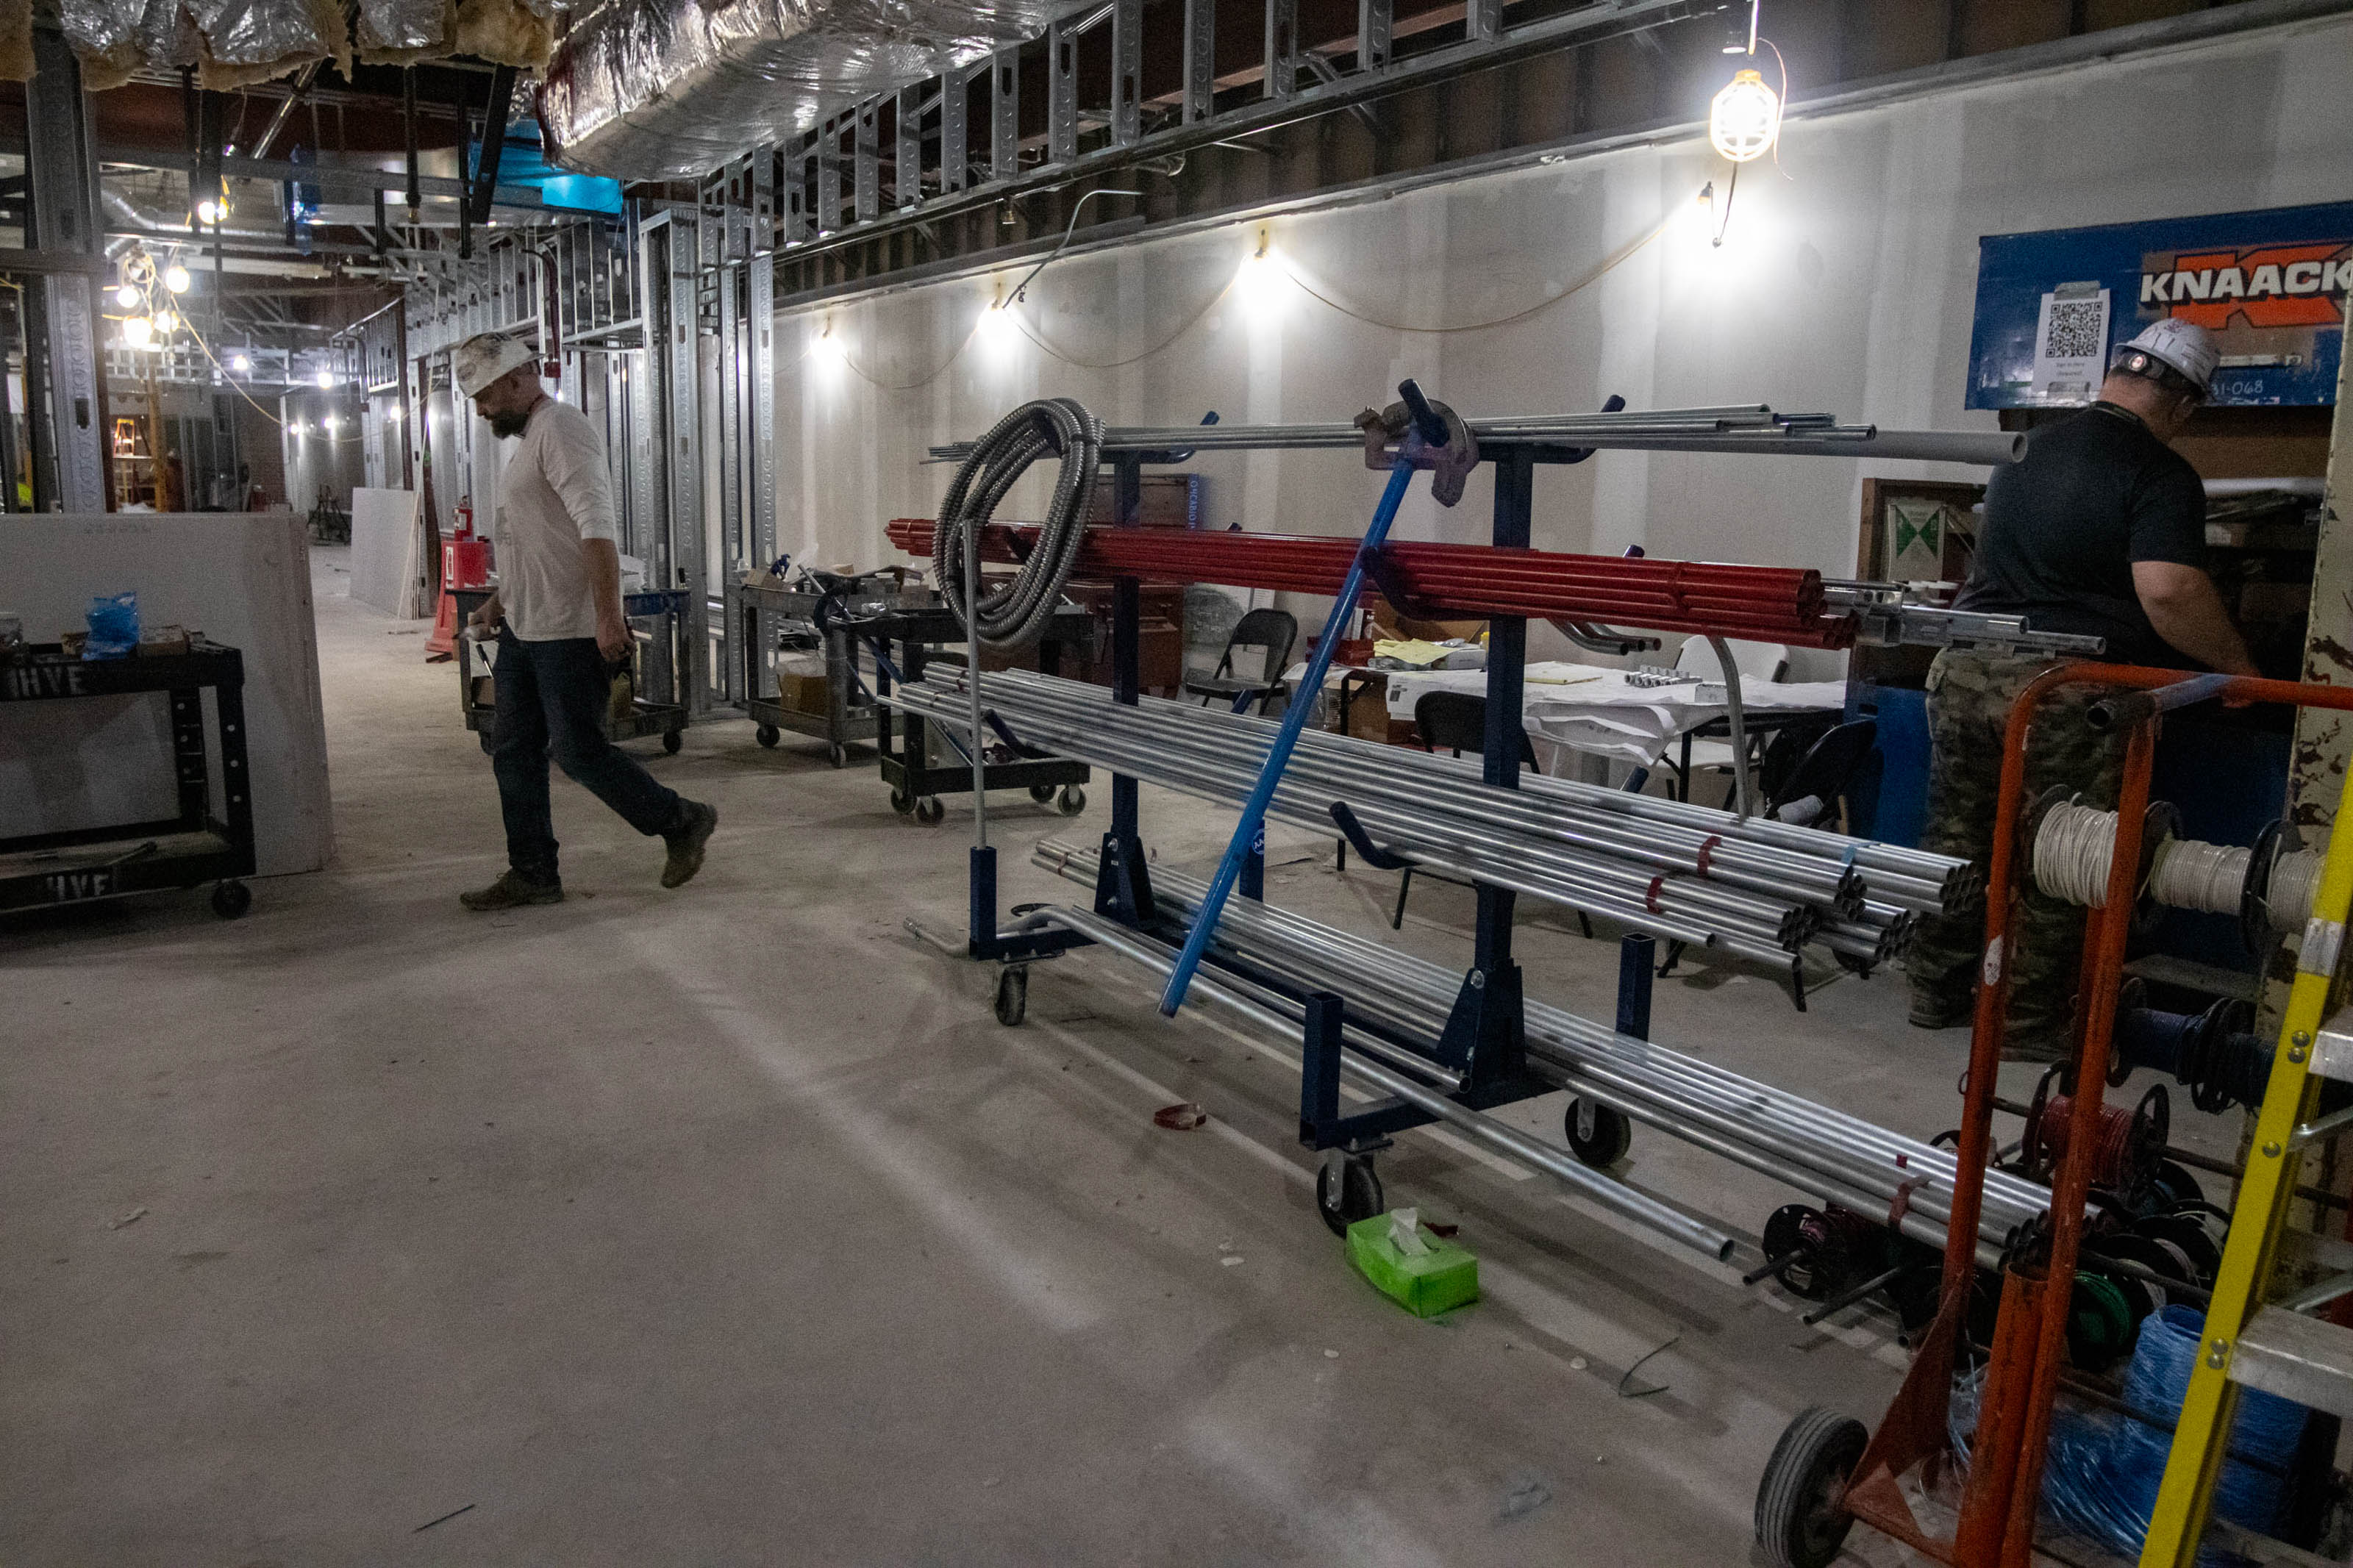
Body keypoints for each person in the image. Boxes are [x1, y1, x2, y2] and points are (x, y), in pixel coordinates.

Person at [1905, 319, 2257, 1056]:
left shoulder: (2025, 448)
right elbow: (2167, 590)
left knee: (1956, 840)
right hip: (2058, 690)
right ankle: (2028, 1026)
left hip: (1963, 668)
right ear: (2184, 405)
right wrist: (2239, 668)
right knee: (2057, 858)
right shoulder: (2158, 471)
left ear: (2112, 376)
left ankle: (1933, 991)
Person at [452, 329, 717, 911]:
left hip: (570, 628)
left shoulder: (562, 429)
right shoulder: (528, 440)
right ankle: (533, 872)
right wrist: (501, 600)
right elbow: (538, 539)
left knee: (578, 750)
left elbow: (597, 527)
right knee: (513, 748)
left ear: (520, 377)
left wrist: (608, 616)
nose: (481, 408)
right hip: (527, 625)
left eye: (487, 393)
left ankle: (680, 819)